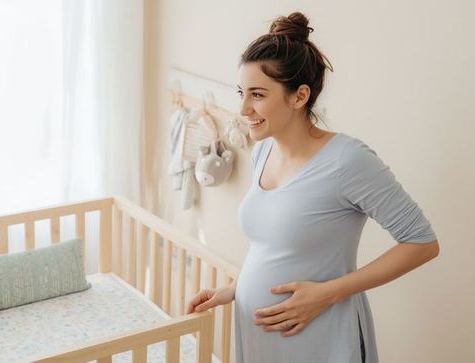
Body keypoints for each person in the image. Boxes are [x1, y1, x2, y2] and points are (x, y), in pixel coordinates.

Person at [186, 12, 439, 363]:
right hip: (260, 336)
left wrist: (327, 294)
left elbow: (422, 243)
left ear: (299, 96)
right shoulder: (262, 151)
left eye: (257, 95)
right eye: (241, 92)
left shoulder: (347, 160)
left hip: (321, 337)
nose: (243, 108)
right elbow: (272, 246)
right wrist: (234, 289)